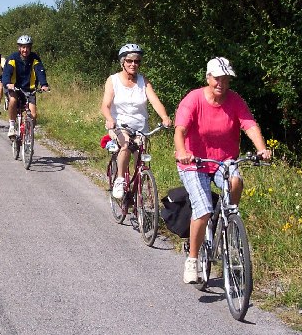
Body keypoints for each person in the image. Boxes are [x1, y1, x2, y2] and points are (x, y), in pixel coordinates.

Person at [174, 57, 272, 284]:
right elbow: (180, 130)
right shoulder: (194, 99)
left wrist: (262, 149)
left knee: (236, 182)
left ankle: (227, 218)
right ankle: (193, 259)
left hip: (224, 162)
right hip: (194, 162)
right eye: (217, 78)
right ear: (208, 78)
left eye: (226, 79)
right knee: (203, 207)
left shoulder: (235, 100)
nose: (222, 83)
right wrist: (182, 151)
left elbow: (249, 125)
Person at [100, 44, 172, 199]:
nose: (133, 64)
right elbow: (105, 105)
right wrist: (110, 119)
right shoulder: (113, 81)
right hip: (119, 125)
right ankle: (120, 179)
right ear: (122, 62)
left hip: (140, 127)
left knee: (141, 156)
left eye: (137, 61)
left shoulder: (143, 81)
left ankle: (138, 185)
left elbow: (155, 101)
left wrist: (165, 117)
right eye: (129, 61)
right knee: (125, 145)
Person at [2, 35, 50, 138]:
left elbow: (40, 71)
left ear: (30, 48)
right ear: (19, 48)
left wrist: (44, 84)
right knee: (13, 100)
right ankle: (12, 127)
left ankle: (27, 138)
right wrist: (7, 83)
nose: (25, 50)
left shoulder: (34, 58)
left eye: (27, 47)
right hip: (15, 88)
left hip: (30, 89)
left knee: (33, 115)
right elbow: (6, 73)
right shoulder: (13, 58)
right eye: (23, 47)